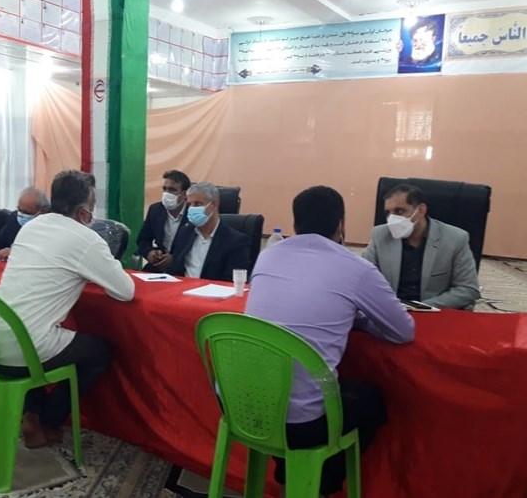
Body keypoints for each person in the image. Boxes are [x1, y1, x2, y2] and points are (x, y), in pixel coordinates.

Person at [246, 185, 415, 498]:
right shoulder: (356, 268)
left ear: (295, 223)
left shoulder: (267, 255)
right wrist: (357, 319)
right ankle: (317, 488)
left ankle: (289, 480)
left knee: (295, 391)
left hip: (241, 405)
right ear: (341, 224)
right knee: (370, 403)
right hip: (299, 423)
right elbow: (403, 331)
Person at [0, 169, 134, 448]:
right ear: (83, 212)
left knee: (29, 334)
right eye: (92, 208)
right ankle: (49, 420)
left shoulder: (31, 227)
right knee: (99, 352)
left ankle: (32, 414)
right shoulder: (86, 238)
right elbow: (125, 291)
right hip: (26, 347)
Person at [362, 183, 480, 310]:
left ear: (421, 210)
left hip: (434, 311)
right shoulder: (380, 234)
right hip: (392, 310)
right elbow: (361, 278)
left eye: (399, 211)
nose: (392, 219)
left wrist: (421, 307)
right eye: (388, 213)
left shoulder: (456, 238)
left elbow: (468, 289)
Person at [167, 182, 249, 282]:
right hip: (182, 288)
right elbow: (174, 270)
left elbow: (232, 281)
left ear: (214, 205)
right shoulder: (184, 233)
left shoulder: (235, 241)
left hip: (214, 290)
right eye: (189, 204)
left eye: (197, 204)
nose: (192, 208)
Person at [0, 187, 50, 261]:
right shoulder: (14, 218)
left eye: (26, 212)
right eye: (19, 210)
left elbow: (45, 254)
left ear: (43, 211)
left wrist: (17, 253)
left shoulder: (51, 227)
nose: (21, 215)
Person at [136, 170, 191, 272]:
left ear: (184, 194)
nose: (167, 193)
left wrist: (175, 258)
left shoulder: (192, 214)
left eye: (172, 190)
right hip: (159, 264)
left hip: (183, 267)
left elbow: (197, 248)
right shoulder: (155, 210)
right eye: (165, 189)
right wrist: (149, 253)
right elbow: (143, 240)